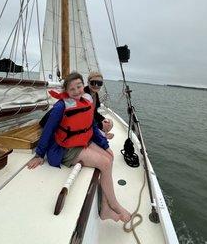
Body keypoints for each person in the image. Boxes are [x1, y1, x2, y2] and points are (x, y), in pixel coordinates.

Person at [27, 71, 131, 223]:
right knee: (105, 163)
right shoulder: (61, 106)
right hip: (65, 150)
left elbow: (92, 127)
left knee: (110, 156)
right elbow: (48, 130)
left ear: (84, 86)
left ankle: (105, 207)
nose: (76, 91)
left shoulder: (86, 101)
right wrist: (39, 155)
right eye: (72, 89)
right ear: (66, 91)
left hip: (82, 143)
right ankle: (114, 204)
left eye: (79, 87)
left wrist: (105, 145)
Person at [84, 71, 114, 140]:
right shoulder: (83, 95)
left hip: (91, 122)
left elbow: (94, 112)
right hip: (84, 125)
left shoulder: (95, 95)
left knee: (110, 123)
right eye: (93, 82)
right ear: (88, 82)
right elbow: (86, 119)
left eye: (99, 83)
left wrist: (104, 119)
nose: (96, 85)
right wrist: (103, 134)